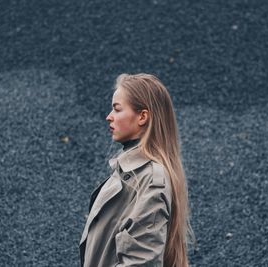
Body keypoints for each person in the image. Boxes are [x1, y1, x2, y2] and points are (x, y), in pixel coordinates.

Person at [79, 73, 194, 266]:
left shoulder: (151, 180)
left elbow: (142, 262)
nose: (109, 117)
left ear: (142, 117)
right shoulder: (131, 171)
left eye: (117, 109)